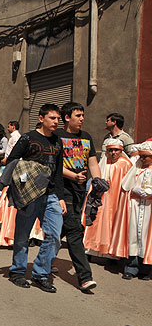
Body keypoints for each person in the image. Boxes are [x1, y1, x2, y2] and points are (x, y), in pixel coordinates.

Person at [5, 104, 66, 292]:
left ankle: (40, 273)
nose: (57, 122)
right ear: (41, 118)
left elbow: (58, 171)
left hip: (50, 195)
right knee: (23, 235)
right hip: (29, 195)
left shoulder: (57, 141)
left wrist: (61, 196)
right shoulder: (28, 138)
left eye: (58, 119)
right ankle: (17, 271)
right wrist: (24, 180)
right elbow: (12, 162)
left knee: (55, 235)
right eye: (52, 118)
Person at [58, 102, 102, 292]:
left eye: (83, 115)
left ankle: (44, 259)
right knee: (75, 230)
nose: (82, 119)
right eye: (78, 115)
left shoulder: (86, 137)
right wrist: (73, 175)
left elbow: (92, 161)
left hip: (80, 190)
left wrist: (99, 181)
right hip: (62, 189)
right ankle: (85, 277)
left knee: (60, 229)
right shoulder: (58, 136)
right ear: (67, 117)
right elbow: (53, 165)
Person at [83, 139, 133, 260]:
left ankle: (111, 254)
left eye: (116, 150)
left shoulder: (125, 164)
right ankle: (92, 250)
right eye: (110, 150)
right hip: (101, 198)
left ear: (121, 151)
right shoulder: (104, 162)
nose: (113, 153)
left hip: (116, 201)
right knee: (96, 220)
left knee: (112, 222)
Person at [121, 142, 152, 279]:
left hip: (149, 209)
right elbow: (126, 185)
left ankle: (145, 269)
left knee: (147, 239)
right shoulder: (137, 168)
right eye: (141, 156)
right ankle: (131, 267)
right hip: (135, 205)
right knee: (132, 236)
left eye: (145, 156)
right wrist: (134, 189)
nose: (142, 159)